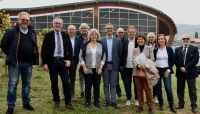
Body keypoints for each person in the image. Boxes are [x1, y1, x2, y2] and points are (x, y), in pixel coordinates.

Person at [1, 12, 39, 114]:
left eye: (27, 20)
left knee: (27, 84)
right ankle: (11, 106)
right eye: (23, 20)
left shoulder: (32, 32)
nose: (25, 22)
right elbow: (3, 44)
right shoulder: (12, 31)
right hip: (15, 63)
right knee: (12, 85)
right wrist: (11, 55)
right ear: (18, 20)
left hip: (28, 63)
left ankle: (26, 103)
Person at [41, 17, 74, 110]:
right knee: (54, 82)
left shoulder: (65, 35)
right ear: (53, 24)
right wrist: (44, 63)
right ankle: (56, 101)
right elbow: (43, 50)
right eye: (56, 23)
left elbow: (70, 49)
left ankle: (68, 102)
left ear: (62, 25)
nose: (58, 25)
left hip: (63, 61)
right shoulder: (48, 35)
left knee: (66, 83)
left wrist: (69, 60)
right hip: (53, 62)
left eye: (59, 23)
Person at [79, 29, 106, 109]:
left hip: (98, 69)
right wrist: (84, 67)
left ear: (97, 36)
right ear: (89, 36)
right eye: (92, 34)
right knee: (88, 86)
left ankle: (96, 102)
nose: (94, 36)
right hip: (87, 69)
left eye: (95, 34)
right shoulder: (85, 45)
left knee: (96, 86)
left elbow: (104, 57)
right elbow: (80, 56)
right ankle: (87, 101)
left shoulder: (101, 45)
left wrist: (101, 68)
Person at [100, 23, 122, 109]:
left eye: (111, 28)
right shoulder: (101, 41)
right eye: (107, 28)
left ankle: (113, 101)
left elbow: (120, 53)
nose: (109, 29)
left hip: (114, 66)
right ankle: (107, 100)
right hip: (105, 65)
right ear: (105, 30)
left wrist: (118, 64)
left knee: (113, 84)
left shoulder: (118, 40)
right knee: (106, 84)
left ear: (113, 30)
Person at [175, 34, 199, 113]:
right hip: (180, 72)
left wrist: (186, 68)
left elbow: (195, 60)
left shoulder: (194, 48)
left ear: (190, 39)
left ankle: (194, 105)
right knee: (180, 89)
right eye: (184, 38)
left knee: (192, 90)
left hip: (191, 72)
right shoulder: (177, 49)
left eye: (187, 38)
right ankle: (181, 103)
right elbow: (175, 60)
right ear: (182, 40)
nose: (185, 40)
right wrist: (181, 68)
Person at [153, 34, 177, 113]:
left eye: (162, 39)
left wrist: (169, 70)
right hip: (158, 71)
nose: (160, 40)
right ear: (157, 41)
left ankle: (171, 105)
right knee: (158, 88)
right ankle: (161, 104)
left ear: (164, 40)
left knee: (168, 88)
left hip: (167, 70)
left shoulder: (169, 49)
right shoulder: (156, 50)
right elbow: (154, 60)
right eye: (159, 39)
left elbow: (173, 60)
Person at [132, 34, 154, 114]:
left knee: (147, 90)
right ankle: (140, 106)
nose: (140, 40)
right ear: (136, 41)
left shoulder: (149, 48)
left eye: (141, 39)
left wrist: (144, 66)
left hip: (146, 72)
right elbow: (133, 60)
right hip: (136, 72)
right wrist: (138, 65)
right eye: (138, 39)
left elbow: (152, 59)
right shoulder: (135, 50)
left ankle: (150, 107)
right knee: (139, 89)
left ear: (144, 40)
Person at [60, 25, 82, 101]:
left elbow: (80, 50)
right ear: (68, 30)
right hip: (64, 60)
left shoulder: (78, 40)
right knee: (64, 77)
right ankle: (64, 94)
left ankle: (72, 94)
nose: (71, 31)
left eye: (73, 29)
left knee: (72, 78)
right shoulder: (63, 38)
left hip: (73, 60)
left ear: (75, 31)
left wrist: (77, 60)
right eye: (70, 29)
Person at [121, 26, 138, 106]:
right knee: (127, 82)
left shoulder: (138, 41)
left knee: (136, 83)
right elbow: (122, 54)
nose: (132, 33)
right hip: (127, 66)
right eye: (130, 32)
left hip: (136, 66)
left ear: (135, 33)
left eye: (133, 32)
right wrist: (122, 64)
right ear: (128, 33)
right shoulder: (125, 41)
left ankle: (137, 99)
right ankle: (128, 98)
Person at [78, 23, 90, 98]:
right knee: (81, 76)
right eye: (83, 28)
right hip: (80, 59)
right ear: (81, 30)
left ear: (88, 29)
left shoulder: (91, 37)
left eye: (85, 28)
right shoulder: (78, 38)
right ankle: (82, 91)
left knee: (88, 77)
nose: (84, 29)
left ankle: (88, 91)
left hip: (90, 60)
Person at [115, 28, 127, 100]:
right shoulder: (114, 40)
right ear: (116, 33)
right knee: (116, 82)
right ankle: (118, 94)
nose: (121, 34)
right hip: (115, 65)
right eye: (119, 32)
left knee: (125, 81)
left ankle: (127, 94)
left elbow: (125, 54)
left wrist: (123, 65)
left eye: (122, 32)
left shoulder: (126, 41)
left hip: (123, 65)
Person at [147, 32, 158, 104]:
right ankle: (149, 97)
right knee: (148, 82)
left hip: (156, 66)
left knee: (155, 82)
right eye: (149, 37)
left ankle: (155, 96)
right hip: (148, 66)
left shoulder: (158, 45)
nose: (151, 38)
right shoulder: (145, 46)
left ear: (155, 38)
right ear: (147, 38)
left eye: (152, 37)